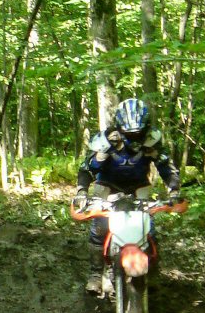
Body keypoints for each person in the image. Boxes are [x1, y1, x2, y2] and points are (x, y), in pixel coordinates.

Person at [73, 97, 181, 294]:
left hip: (138, 187)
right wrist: (81, 191)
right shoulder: (105, 139)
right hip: (107, 186)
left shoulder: (152, 140)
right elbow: (87, 168)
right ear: (120, 127)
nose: (134, 137)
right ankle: (96, 273)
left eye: (138, 133)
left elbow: (166, 167)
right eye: (129, 133)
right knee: (99, 228)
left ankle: (153, 270)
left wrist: (174, 190)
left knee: (149, 229)